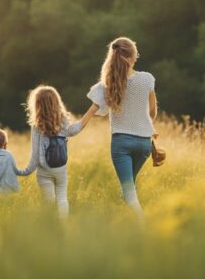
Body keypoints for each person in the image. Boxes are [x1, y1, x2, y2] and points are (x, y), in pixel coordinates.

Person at [84, 37, 158, 218]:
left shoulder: (107, 84)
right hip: (144, 144)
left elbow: (98, 111)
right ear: (133, 56)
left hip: (121, 144)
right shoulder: (147, 79)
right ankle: (122, 225)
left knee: (128, 191)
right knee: (127, 188)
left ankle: (142, 225)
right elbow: (152, 112)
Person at [16, 85, 95, 219]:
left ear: (37, 105)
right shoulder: (63, 122)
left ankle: (52, 229)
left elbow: (35, 155)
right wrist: (92, 110)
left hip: (44, 171)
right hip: (60, 169)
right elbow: (75, 130)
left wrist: (22, 172)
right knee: (62, 199)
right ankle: (64, 225)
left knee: (48, 202)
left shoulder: (37, 127)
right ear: (57, 102)